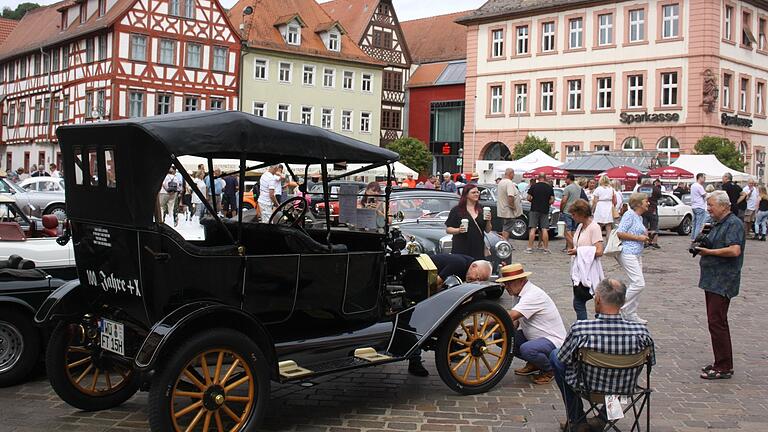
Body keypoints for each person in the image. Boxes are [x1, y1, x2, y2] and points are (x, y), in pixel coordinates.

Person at [550, 279, 655, 432]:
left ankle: (578, 419)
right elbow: (650, 364)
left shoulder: (581, 329)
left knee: (554, 355)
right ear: (624, 301)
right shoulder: (641, 333)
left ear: (598, 299)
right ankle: (604, 418)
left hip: (587, 388)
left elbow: (563, 359)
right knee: (626, 375)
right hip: (624, 390)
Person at [696, 190, 745, 380]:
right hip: (712, 278)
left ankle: (724, 366)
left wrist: (709, 252)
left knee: (717, 322)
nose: (708, 209)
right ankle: (721, 361)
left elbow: (734, 250)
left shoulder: (733, 224)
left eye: (711, 206)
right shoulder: (715, 222)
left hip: (723, 279)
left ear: (724, 206)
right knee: (715, 321)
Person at [497, 263, 566, 385]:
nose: (506, 286)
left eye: (509, 283)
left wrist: (485, 323)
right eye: (505, 283)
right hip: (534, 337)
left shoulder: (533, 294)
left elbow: (512, 315)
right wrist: (501, 330)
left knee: (527, 349)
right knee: (501, 338)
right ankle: (535, 363)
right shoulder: (518, 294)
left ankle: (550, 370)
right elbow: (514, 323)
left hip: (553, 340)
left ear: (522, 281)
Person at [615, 193, 650, 323]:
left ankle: (630, 313)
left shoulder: (639, 218)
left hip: (637, 253)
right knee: (638, 283)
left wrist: (645, 237)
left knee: (636, 283)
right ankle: (617, 307)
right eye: (646, 201)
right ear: (639, 203)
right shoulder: (629, 214)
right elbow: (620, 233)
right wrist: (638, 238)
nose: (648, 203)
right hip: (627, 252)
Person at [567, 200, 604, 321]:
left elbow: (599, 251)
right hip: (580, 268)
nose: (573, 217)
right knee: (580, 300)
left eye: (574, 214)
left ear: (582, 214)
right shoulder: (580, 227)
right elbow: (578, 244)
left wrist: (579, 251)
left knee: (582, 301)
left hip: (590, 269)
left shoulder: (594, 228)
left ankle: (585, 326)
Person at [445, 184, 492, 260]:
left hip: (478, 248)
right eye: (473, 192)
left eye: (477, 192)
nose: (476, 194)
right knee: (462, 269)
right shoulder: (457, 210)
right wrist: (459, 230)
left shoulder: (481, 209)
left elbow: (488, 230)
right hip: (461, 248)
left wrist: (489, 220)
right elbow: (448, 229)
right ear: (466, 195)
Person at [525, 173, 554, 254]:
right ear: (545, 178)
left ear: (538, 178)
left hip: (534, 209)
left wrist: (533, 201)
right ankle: (546, 248)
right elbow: (552, 200)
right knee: (544, 229)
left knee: (533, 228)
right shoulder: (549, 187)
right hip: (544, 210)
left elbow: (528, 198)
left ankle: (529, 248)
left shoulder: (533, 186)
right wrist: (547, 203)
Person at [428, 254, 493, 287]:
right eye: (478, 277)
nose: (476, 281)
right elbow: (434, 283)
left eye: (480, 281)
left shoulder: (469, 263)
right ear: (474, 266)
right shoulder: (459, 265)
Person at [496, 168, 522, 240]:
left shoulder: (501, 182)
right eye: (513, 174)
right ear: (510, 173)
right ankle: (504, 243)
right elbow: (510, 195)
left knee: (506, 227)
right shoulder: (509, 183)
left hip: (503, 209)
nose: (513, 176)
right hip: (508, 210)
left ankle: (505, 243)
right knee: (507, 228)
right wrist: (513, 206)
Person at [560, 174, 582, 251]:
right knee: (574, 229)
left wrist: (561, 209)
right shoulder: (579, 188)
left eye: (566, 179)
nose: (565, 181)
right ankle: (570, 246)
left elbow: (564, 200)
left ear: (569, 179)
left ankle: (572, 245)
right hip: (576, 210)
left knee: (567, 230)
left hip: (567, 210)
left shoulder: (567, 188)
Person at [637, 179, 661, 249]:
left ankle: (645, 242)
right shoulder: (655, 189)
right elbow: (660, 196)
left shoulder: (640, 188)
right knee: (654, 226)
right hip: (653, 209)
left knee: (644, 226)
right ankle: (654, 242)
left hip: (643, 209)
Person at [591, 175, 616, 240]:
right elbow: (614, 200)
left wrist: (592, 210)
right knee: (608, 227)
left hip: (600, 206)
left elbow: (595, 201)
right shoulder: (611, 189)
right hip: (609, 206)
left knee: (598, 227)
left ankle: (599, 243)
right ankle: (608, 245)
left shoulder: (598, 189)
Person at [690, 173, 708, 240]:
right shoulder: (699, 186)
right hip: (700, 206)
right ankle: (696, 239)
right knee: (699, 224)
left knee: (694, 223)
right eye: (704, 178)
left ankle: (692, 238)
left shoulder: (693, 185)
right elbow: (705, 195)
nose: (704, 180)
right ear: (700, 178)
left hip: (694, 206)